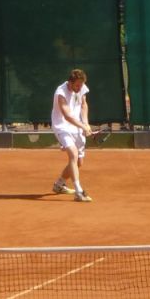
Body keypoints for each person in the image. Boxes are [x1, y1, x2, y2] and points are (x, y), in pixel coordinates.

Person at [50, 68, 93, 202]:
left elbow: (84, 105)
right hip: (62, 127)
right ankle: (79, 192)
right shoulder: (61, 93)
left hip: (76, 127)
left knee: (79, 162)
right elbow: (67, 116)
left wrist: (86, 123)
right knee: (73, 154)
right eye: (77, 85)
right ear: (70, 82)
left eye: (81, 85)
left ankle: (59, 184)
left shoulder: (81, 87)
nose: (80, 88)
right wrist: (83, 126)